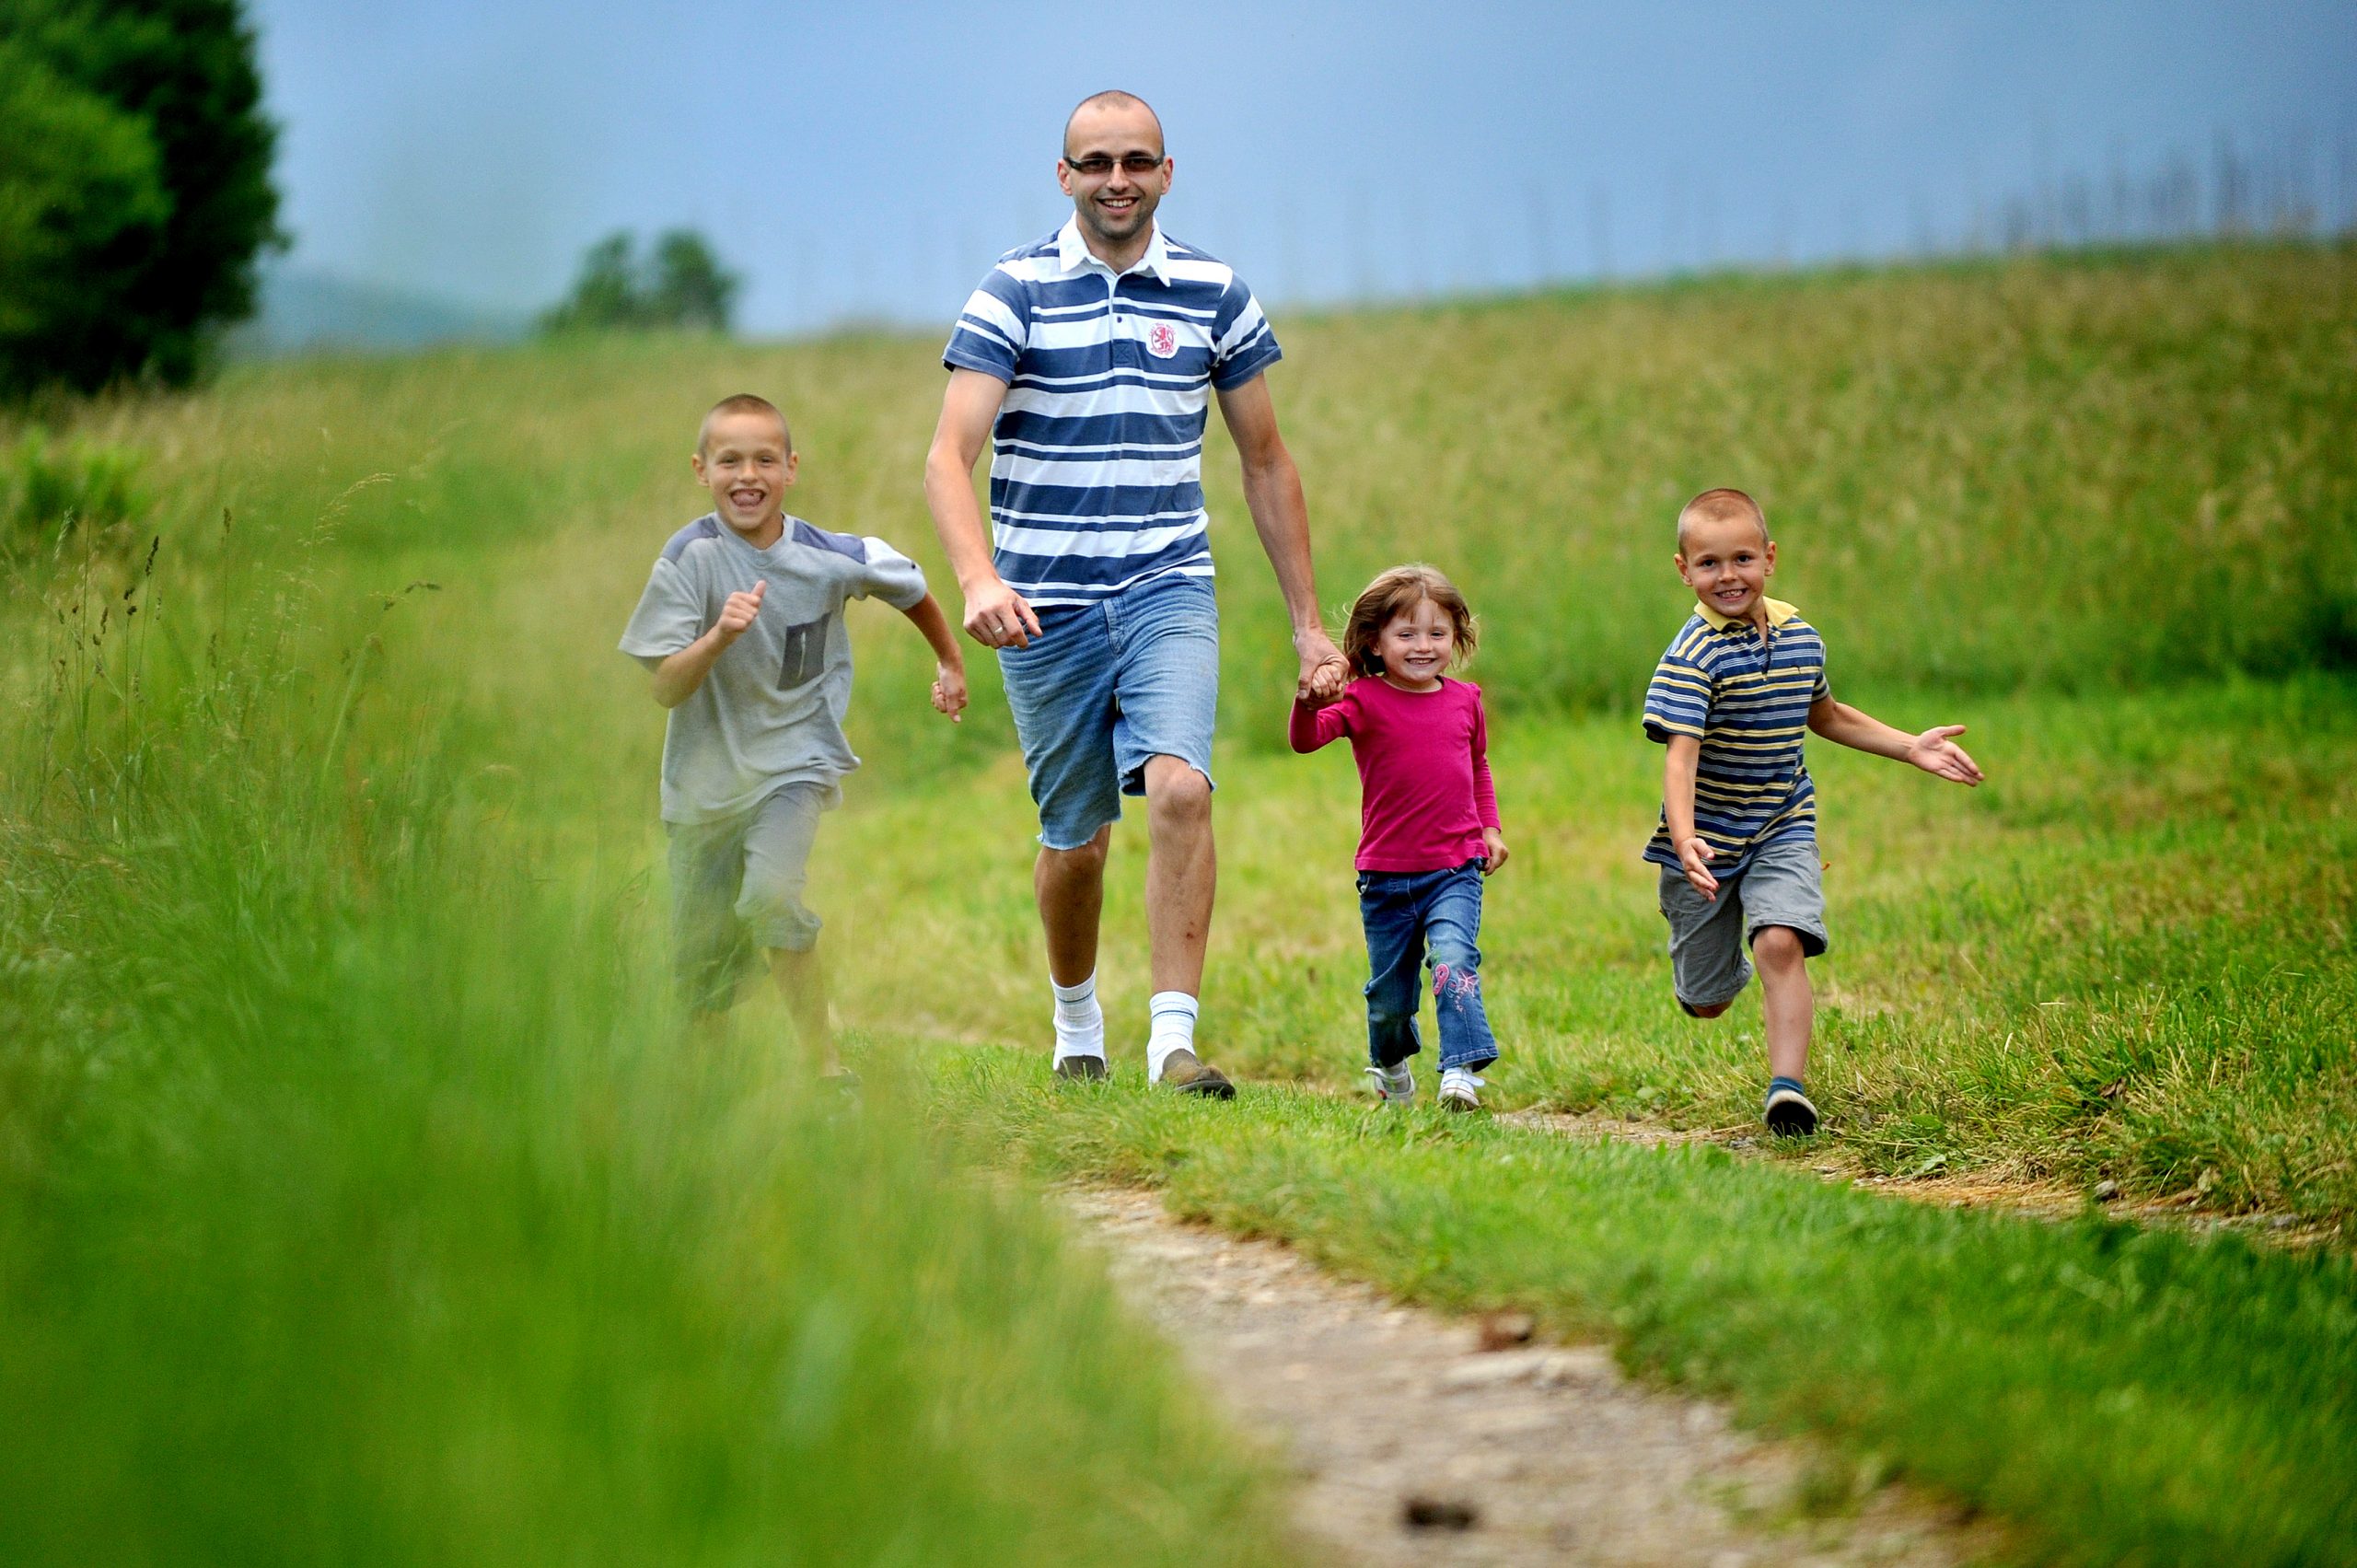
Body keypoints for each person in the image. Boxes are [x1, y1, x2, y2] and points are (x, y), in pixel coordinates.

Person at [923, 89, 1349, 1096]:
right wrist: (979, 577)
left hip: (1167, 585)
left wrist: (1308, 626)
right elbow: (948, 455)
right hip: (1044, 608)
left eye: (1138, 161)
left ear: (1166, 173)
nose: (1119, 179)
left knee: (1182, 788)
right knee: (1075, 842)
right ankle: (1077, 1018)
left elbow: (1264, 460)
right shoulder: (1012, 290)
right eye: (1099, 162)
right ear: (1064, 176)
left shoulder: (1213, 291)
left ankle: (1171, 1042)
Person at [621, 393, 968, 1085]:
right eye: (729, 461)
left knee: (773, 896)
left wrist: (950, 661)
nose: (747, 475)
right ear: (701, 469)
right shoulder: (688, 559)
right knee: (702, 967)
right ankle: (710, 1095)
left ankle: (824, 1066)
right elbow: (664, 686)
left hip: (794, 764)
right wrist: (719, 634)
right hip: (702, 788)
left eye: (764, 460)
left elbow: (910, 587)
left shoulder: (829, 556)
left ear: (791, 469)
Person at [1643, 488, 1982, 1135]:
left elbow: (1824, 714)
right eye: (1709, 563)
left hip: (1781, 822)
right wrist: (1684, 839)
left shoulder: (1801, 637)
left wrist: (1911, 746)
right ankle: (1725, 961)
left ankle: (1787, 1090)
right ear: (1684, 570)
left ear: (1769, 557)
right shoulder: (1689, 659)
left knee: (1780, 940)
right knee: (1707, 1000)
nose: (1728, 575)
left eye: (1742, 557)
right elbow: (1680, 759)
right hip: (1706, 846)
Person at [1289, 564, 1507, 1112]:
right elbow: (1306, 740)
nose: (1422, 646)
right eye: (1406, 634)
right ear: (1374, 641)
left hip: (1455, 866)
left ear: (1456, 637)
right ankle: (1390, 1065)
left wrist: (1490, 827)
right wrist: (1308, 702)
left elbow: (1477, 767)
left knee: (1454, 961)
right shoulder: (1363, 699)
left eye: (1437, 633)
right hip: (1385, 877)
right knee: (1390, 999)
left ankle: (1460, 1071)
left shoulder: (1465, 699)